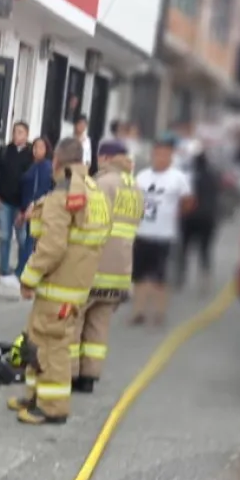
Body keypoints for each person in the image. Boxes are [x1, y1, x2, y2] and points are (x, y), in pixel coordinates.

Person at [8, 138, 111, 425]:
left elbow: (52, 247)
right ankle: (35, 396)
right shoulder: (95, 192)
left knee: (52, 344)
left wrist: (28, 278)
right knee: (37, 338)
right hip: (75, 284)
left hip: (59, 287)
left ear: (57, 162)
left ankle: (52, 407)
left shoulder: (63, 195)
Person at [71, 139, 142, 394]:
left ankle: (69, 374)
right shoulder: (135, 187)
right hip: (121, 271)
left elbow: (89, 220)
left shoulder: (102, 183)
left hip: (95, 266)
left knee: (74, 319)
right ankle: (89, 377)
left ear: (106, 158)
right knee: (99, 324)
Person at [131, 134, 195, 326]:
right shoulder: (142, 177)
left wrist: (176, 214)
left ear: (170, 156)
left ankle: (159, 313)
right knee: (139, 276)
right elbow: (133, 199)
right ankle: (138, 312)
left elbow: (188, 201)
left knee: (159, 277)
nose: (159, 158)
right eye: (156, 154)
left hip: (164, 235)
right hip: (142, 232)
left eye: (164, 154)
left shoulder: (178, 178)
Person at [0, 121, 33, 287]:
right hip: (4, 202)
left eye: (20, 132)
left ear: (26, 135)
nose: (16, 135)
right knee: (4, 236)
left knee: (22, 238)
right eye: (14, 132)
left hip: (21, 206)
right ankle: (4, 270)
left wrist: (26, 207)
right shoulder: (4, 152)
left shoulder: (31, 156)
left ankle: (21, 270)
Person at [177, 150, 220, 293]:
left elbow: (184, 196)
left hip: (190, 217)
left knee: (184, 248)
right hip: (208, 218)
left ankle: (180, 276)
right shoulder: (214, 176)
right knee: (205, 250)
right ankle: (204, 281)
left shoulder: (190, 177)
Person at [17, 136, 54, 276]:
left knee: (30, 242)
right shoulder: (33, 165)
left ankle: (24, 272)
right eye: (34, 146)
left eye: (39, 147)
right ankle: (22, 269)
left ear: (46, 149)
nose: (35, 150)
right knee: (27, 240)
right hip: (27, 207)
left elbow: (41, 189)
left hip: (36, 210)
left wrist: (31, 207)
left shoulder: (45, 166)